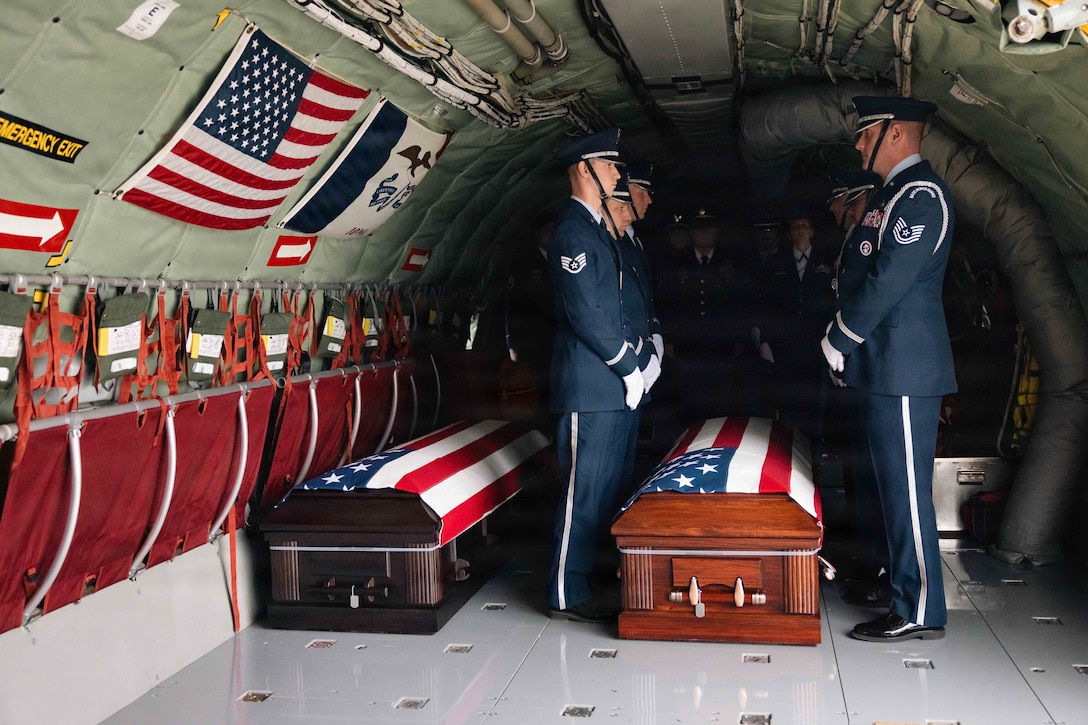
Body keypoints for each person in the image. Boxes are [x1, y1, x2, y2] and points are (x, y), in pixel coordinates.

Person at [822, 96, 956, 642]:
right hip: (883, 366)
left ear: (896, 134)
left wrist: (841, 336)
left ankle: (921, 608)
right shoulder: (890, 195)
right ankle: (902, 587)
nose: (858, 143)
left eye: (866, 133)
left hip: (903, 369)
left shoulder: (920, 197)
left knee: (906, 491)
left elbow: (889, 280)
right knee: (889, 490)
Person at [545, 129, 659, 624]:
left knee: (606, 488)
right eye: (608, 166)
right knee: (582, 492)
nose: (617, 174)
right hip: (591, 385)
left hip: (610, 384)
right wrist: (627, 364)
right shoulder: (573, 230)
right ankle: (564, 592)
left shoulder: (595, 230)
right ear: (584, 170)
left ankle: (583, 577)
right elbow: (589, 311)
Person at [823, 169, 895, 609]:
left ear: (855, 200)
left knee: (877, 480)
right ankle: (870, 561)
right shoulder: (851, 238)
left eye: (837, 201)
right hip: (855, 372)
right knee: (859, 476)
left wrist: (842, 344)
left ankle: (884, 568)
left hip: (875, 369)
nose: (832, 210)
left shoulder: (871, 236)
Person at [657, 208, 759, 422]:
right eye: (699, 230)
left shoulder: (730, 264)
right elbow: (667, 304)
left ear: (716, 232)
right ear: (692, 234)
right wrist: (668, 340)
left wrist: (740, 337)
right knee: (689, 401)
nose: (704, 235)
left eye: (709, 230)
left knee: (720, 400)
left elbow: (741, 303)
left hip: (721, 346)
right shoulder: (677, 265)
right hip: (688, 346)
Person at [765, 211, 836, 445]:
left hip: (817, 344)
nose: (800, 230)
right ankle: (789, 453)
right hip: (786, 345)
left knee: (816, 401)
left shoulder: (827, 261)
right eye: (795, 226)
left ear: (812, 231)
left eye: (804, 225)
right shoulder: (776, 262)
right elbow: (767, 304)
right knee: (788, 401)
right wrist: (765, 339)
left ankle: (814, 452)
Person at [503, 207, 558, 431]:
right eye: (548, 230)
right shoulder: (524, 264)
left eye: (556, 230)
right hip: (534, 342)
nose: (552, 235)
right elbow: (512, 307)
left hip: (560, 340)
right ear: (537, 233)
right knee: (536, 393)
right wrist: (512, 344)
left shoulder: (564, 258)